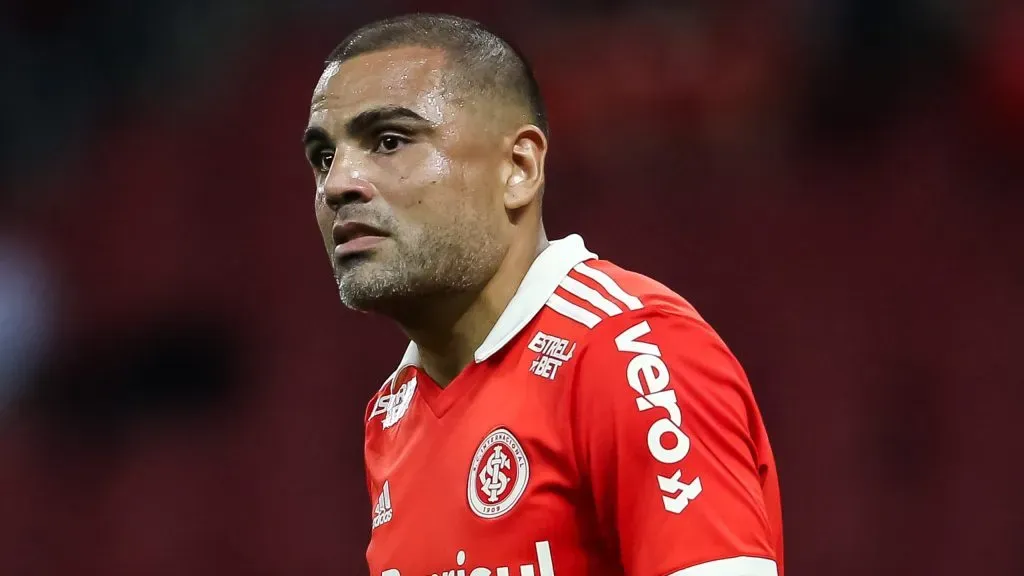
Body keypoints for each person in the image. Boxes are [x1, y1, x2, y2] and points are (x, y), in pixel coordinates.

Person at [304, 13, 783, 576]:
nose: (336, 185)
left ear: (520, 167)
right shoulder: (392, 415)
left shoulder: (630, 351)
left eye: (389, 141)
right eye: (324, 157)